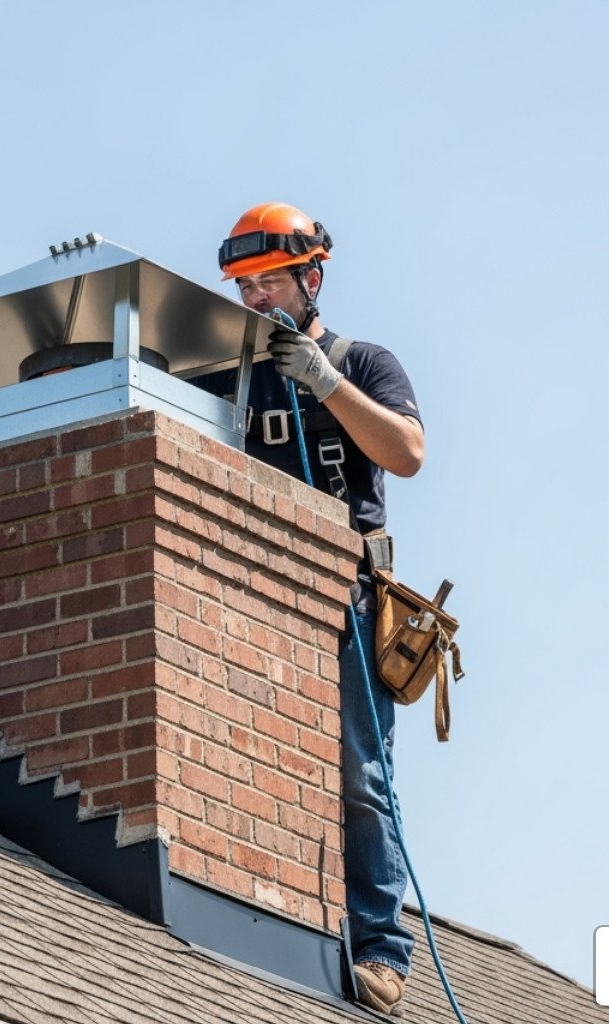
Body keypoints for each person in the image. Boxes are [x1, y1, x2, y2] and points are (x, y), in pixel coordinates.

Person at [204, 202, 425, 1015]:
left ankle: (380, 948)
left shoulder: (363, 362)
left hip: (351, 592)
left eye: (268, 285)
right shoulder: (230, 373)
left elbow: (406, 454)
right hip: (259, 583)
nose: (255, 302)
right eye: (243, 288)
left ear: (311, 278)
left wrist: (326, 384)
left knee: (361, 775)